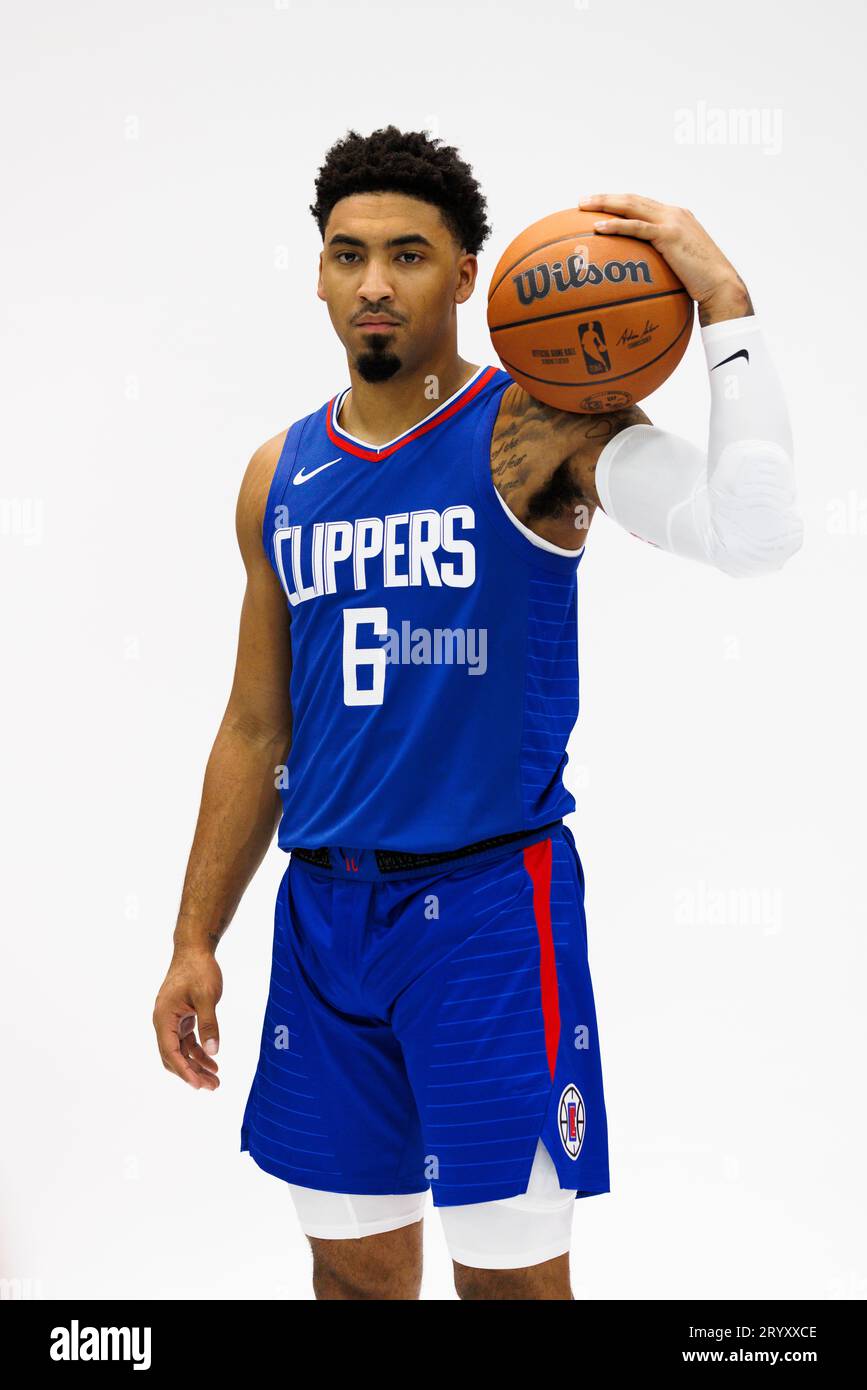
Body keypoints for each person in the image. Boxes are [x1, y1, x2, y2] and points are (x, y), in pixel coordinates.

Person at [153, 126, 803, 1301]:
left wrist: (727, 307)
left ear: (467, 274)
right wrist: (195, 935)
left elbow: (753, 536)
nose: (374, 283)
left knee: (508, 1288)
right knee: (353, 1281)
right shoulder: (278, 472)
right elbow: (256, 728)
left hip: (491, 914)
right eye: (348, 255)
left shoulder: (539, 428)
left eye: (408, 255)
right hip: (323, 918)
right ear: (317, 273)